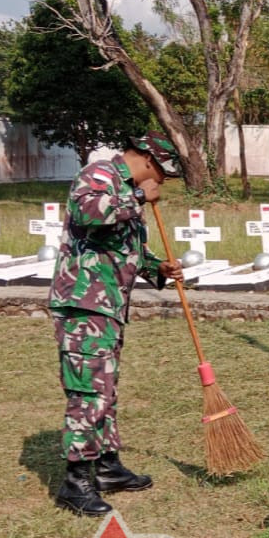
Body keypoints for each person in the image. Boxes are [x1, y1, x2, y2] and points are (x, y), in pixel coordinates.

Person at [48, 131, 183, 516]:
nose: (160, 182)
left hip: (107, 305)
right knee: (88, 392)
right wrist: (139, 197)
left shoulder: (122, 189)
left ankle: (107, 466)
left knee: (105, 389)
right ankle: (76, 482)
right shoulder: (99, 176)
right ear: (146, 159)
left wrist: (158, 267)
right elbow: (86, 213)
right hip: (83, 303)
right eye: (161, 173)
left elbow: (128, 249)